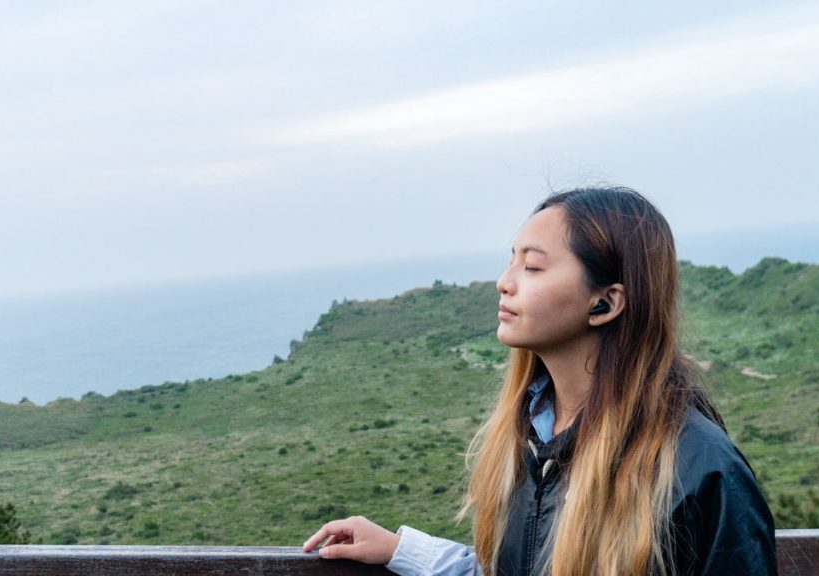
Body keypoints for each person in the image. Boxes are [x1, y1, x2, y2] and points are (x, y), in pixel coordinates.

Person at [303, 187, 778, 575]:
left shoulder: (700, 469)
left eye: (532, 266)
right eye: (511, 261)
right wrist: (401, 549)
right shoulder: (529, 437)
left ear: (606, 303)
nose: (504, 282)